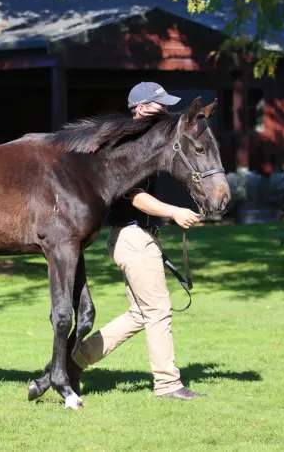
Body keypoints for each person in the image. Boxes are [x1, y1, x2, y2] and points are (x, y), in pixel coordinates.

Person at [70, 82, 207, 400]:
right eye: (160, 107)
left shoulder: (142, 144)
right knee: (158, 310)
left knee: (140, 313)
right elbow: (135, 197)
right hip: (132, 236)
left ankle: (73, 360)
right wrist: (174, 212)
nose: (165, 112)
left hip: (135, 237)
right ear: (141, 108)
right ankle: (168, 385)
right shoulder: (129, 148)